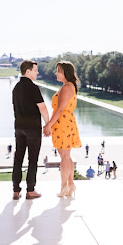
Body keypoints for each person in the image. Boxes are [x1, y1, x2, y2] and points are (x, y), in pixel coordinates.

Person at [12, 59, 51, 201]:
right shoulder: (34, 88)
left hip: (19, 127)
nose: (37, 72)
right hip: (33, 128)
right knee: (32, 159)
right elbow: (43, 108)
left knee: (18, 158)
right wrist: (48, 125)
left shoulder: (16, 88)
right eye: (35, 70)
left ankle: (16, 191)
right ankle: (30, 190)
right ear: (28, 71)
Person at [44, 61, 82, 198]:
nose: (56, 73)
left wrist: (48, 124)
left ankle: (64, 186)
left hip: (63, 123)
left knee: (64, 157)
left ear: (65, 72)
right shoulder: (70, 86)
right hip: (67, 122)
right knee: (66, 156)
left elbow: (60, 109)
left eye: (58, 71)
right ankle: (70, 184)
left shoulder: (66, 87)